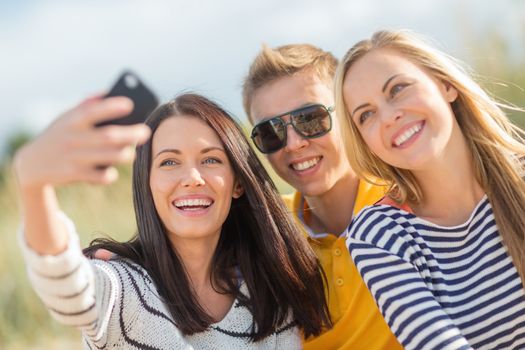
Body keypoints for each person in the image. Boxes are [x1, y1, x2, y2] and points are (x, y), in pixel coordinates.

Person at [14, 93, 331, 349]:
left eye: (210, 160)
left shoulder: (268, 298)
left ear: (237, 183)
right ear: (147, 184)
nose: (192, 178)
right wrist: (33, 186)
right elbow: (68, 287)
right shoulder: (127, 288)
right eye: (169, 162)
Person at [335, 29, 525, 349]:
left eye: (397, 89)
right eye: (366, 115)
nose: (388, 117)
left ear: (446, 85)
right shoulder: (379, 235)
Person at [242, 44, 402, 349]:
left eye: (310, 118)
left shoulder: (409, 198)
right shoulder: (267, 235)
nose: (294, 143)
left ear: (348, 113)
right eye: (271, 131)